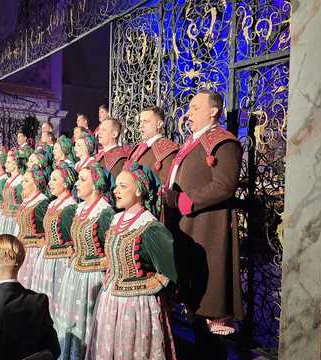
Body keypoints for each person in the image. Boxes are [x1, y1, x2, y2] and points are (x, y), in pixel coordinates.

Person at [162, 90, 243, 354]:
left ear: (213, 111)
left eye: (195, 108)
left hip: (207, 231)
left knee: (209, 309)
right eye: (189, 108)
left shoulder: (224, 141)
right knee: (193, 304)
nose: (189, 113)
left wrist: (184, 200)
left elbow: (224, 185)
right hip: (187, 230)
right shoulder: (192, 142)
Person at [86, 161, 177, 360]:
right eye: (116, 186)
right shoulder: (115, 220)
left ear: (138, 191)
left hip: (136, 306)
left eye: (123, 186)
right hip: (110, 300)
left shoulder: (151, 228)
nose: (116, 191)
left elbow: (168, 273)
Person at [56, 163, 115, 360]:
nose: (77, 184)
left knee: (87, 322)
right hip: (75, 275)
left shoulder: (105, 213)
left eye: (83, 180)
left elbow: (111, 250)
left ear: (96, 184)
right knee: (71, 319)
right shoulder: (80, 208)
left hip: (92, 278)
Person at [30, 164, 78, 317]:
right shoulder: (53, 203)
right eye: (50, 179)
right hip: (48, 258)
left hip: (61, 261)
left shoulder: (70, 208)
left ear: (65, 183)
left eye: (54, 179)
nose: (49, 183)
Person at [14, 166, 50, 288]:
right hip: (24, 249)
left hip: (34, 252)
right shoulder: (27, 201)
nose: (22, 184)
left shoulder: (42, 203)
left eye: (26, 181)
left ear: (35, 184)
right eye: (23, 180)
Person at [129, 106, 179, 185]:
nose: (140, 126)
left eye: (145, 121)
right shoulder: (137, 149)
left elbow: (164, 184)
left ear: (159, 124)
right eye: (140, 122)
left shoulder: (169, 150)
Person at [0, 151, 24, 237]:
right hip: (6, 217)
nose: (5, 165)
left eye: (8, 162)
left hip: (15, 218)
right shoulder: (8, 180)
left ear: (15, 164)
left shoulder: (21, 180)